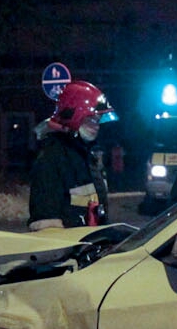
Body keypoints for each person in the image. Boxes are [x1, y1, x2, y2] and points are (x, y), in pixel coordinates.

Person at [29, 81, 115, 230]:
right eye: (91, 120)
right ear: (73, 118)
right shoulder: (51, 160)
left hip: (90, 246)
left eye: (98, 121)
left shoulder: (85, 155)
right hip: (71, 250)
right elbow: (46, 225)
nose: (97, 126)